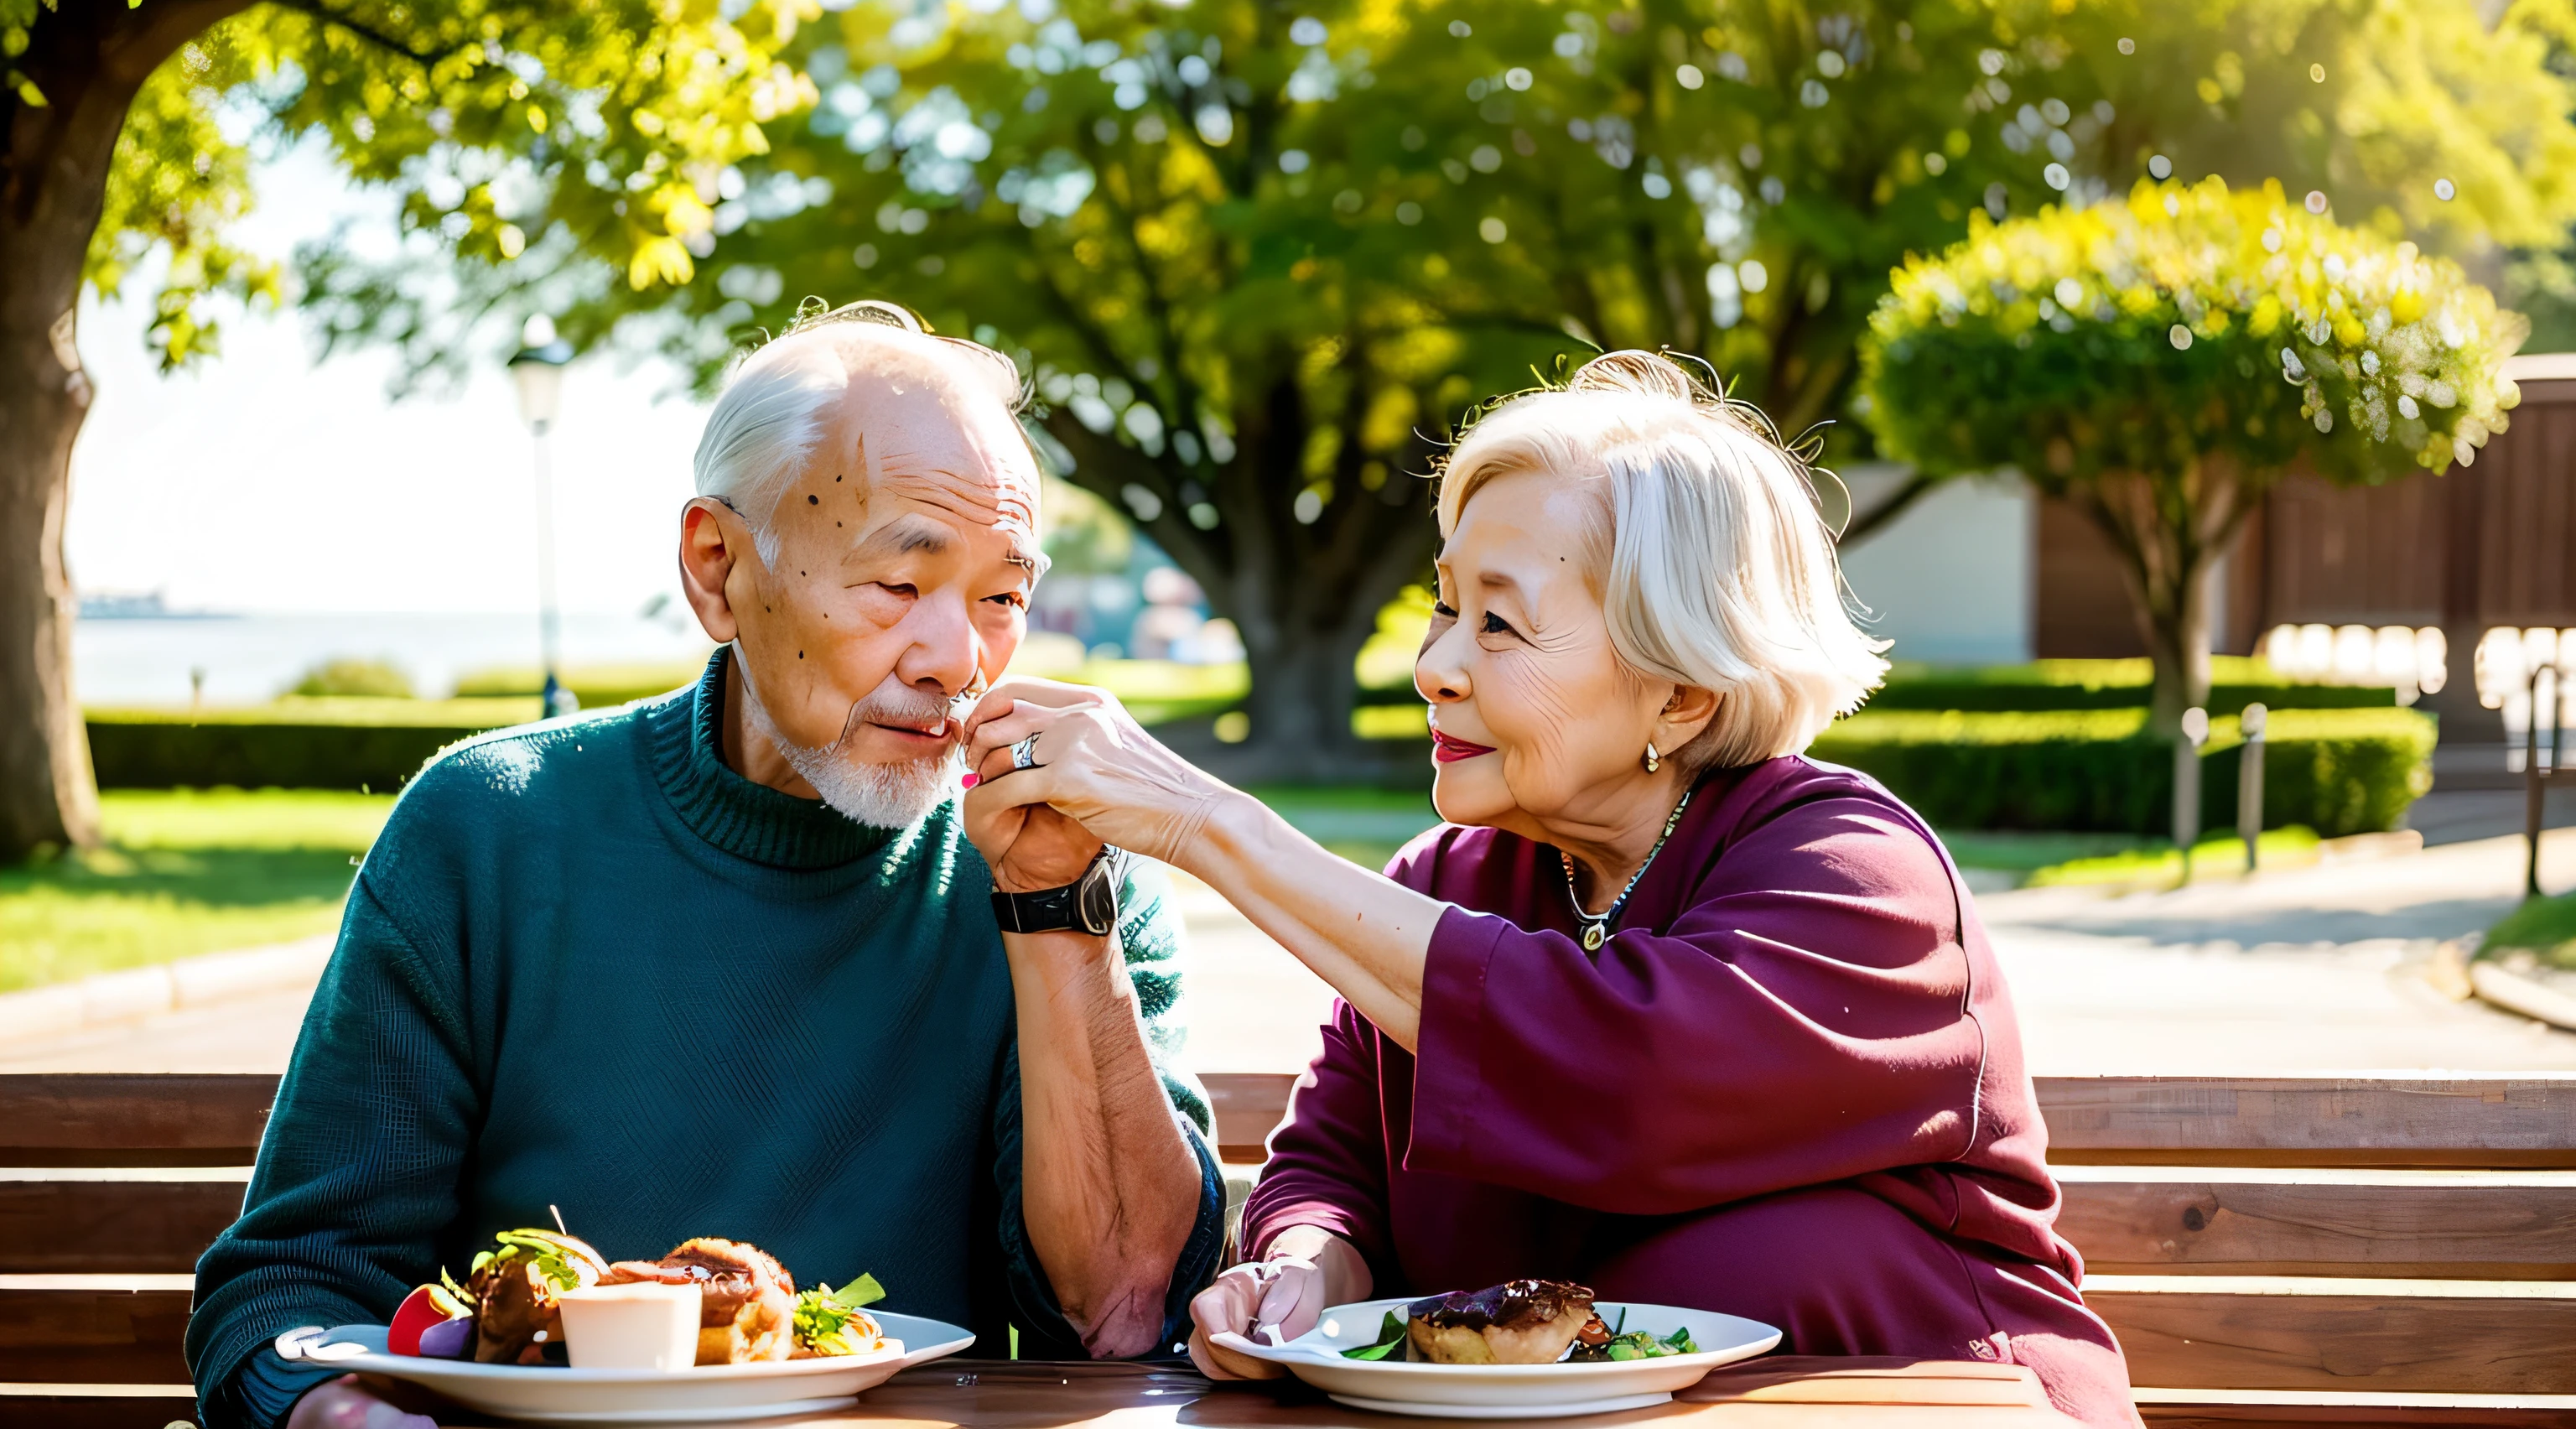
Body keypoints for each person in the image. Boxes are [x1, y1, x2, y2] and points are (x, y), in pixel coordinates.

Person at [958, 351, 2140, 1426]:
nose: (1435, 666)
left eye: (1500, 624)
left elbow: (1621, 1075)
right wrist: (1303, 1271)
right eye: (1443, 605)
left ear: (1680, 695)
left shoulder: (1854, 875)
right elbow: (1336, 1173)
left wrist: (1208, 822)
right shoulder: (1447, 881)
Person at [185, 302, 1224, 1429]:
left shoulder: (1062, 868)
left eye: (1002, 598)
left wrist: (1056, 911)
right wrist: (347, 1420)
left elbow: (1124, 1316)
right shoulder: (489, 833)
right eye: (898, 585)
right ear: (718, 569)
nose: (958, 660)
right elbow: (285, 1291)